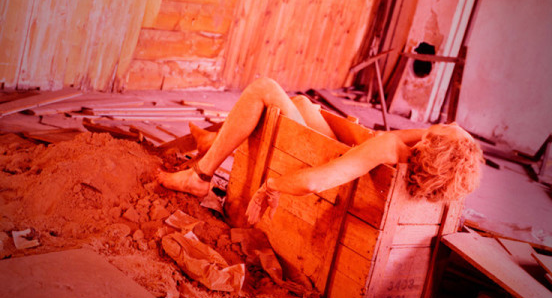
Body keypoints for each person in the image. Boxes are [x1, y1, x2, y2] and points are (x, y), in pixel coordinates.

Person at [156, 77, 483, 225]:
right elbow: (423, 140)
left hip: (327, 169)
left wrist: (272, 186)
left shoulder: (389, 148)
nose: (446, 123)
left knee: (265, 88)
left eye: (445, 127)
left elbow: (315, 182)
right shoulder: (420, 161)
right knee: (302, 104)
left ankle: (200, 176)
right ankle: (213, 143)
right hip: (348, 154)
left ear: (434, 146)